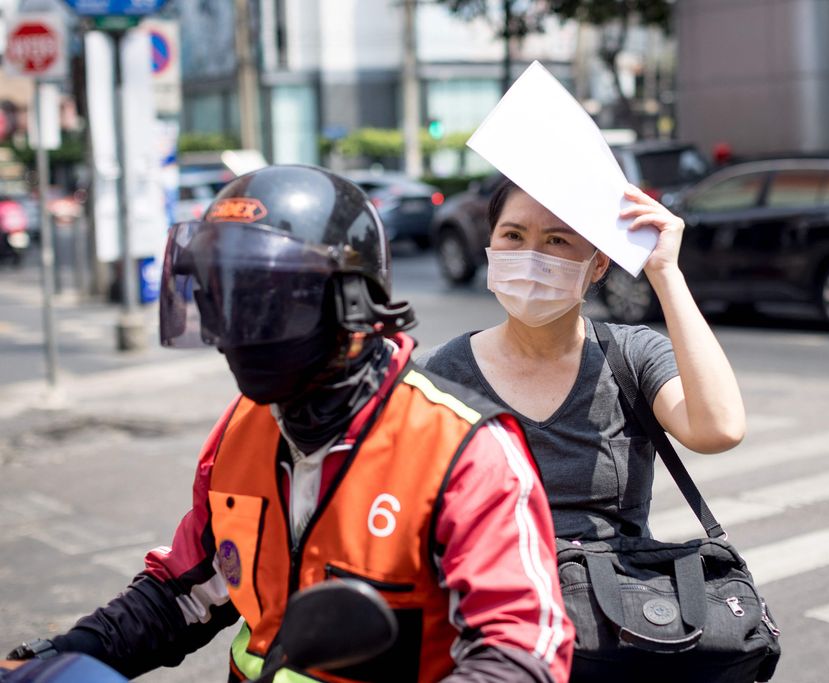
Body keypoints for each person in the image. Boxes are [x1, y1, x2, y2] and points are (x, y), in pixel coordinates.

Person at [4, 166, 573, 683]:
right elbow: (184, 594)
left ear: (353, 306)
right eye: (222, 300)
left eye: (267, 303)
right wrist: (57, 656)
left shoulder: (465, 452)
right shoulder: (243, 430)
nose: (237, 329)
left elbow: (522, 654)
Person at [419, 178, 746, 543]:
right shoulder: (436, 376)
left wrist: (666, 272)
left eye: (557, 240)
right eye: (513, 236)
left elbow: (718, 429)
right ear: (490, 245)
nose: (531, 257)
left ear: (599, 264)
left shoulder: (631, 356)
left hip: (616, 593)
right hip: (488, 595)